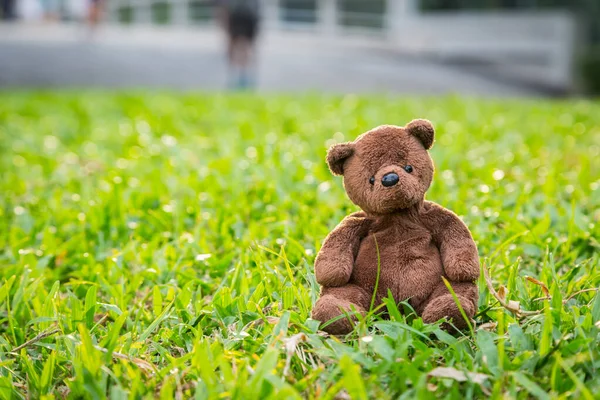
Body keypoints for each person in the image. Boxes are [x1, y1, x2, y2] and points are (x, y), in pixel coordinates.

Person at [216, 0, 260, 90]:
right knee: (240, 47)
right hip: (239, 16)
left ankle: (243, 77)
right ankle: (238, 77)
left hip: (245, 16)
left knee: (244, 47)